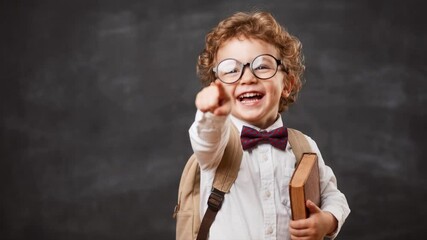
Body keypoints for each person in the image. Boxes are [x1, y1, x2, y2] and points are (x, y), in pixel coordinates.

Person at [189, 11, 350, 240]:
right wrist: (210, 112)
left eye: (262, 66)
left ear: (287, 84)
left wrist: (326, 221)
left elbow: (333, 195)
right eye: (231, 70)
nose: (247, 78)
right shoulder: (218, 143)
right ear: (218, 87)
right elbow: (204, 139)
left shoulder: (303, 146)